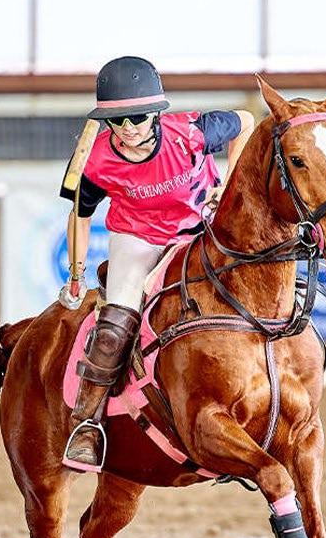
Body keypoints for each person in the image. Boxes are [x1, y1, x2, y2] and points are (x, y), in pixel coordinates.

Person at [58, 55, 253, 472]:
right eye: (117, 121)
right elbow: (80, 215)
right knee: (115, 320)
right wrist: (76, 274)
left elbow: (246, 121)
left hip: (200, 231)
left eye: (138, 118)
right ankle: (86, 423)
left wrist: (230, 186)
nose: (129, 129)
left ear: (156, 114)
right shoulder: (94, 160)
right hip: (138, 238)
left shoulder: (192, 132)